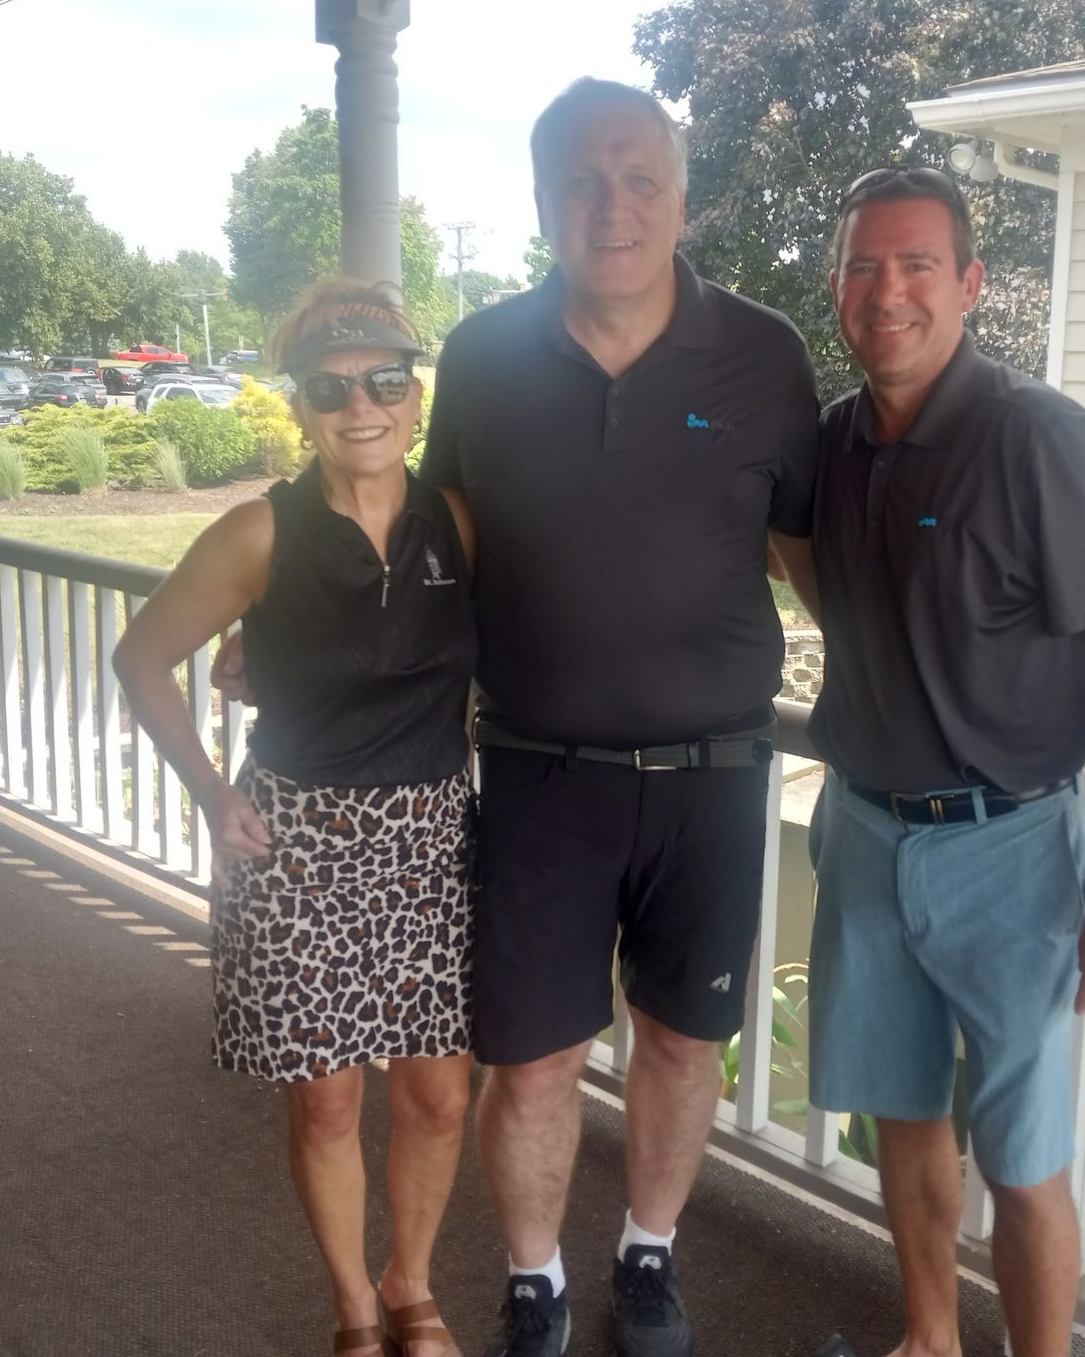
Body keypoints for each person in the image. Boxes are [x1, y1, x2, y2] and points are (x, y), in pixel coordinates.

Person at [422, 78, 821, 1357]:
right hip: (539, 774)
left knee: (684, 1041)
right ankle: (533, 1279)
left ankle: (648, 1256)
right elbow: (437, 538)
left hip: (713, 775)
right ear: (542, 200)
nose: (615, 204)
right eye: (584, 181)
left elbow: (819, 551)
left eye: (641, 177)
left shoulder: (764, 355)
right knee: (532, 1060)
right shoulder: (480, 355)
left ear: (682, 196)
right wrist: (306, 623)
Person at [799, 167, 1085, 1357]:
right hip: (865, 833)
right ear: (838, 289)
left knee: (1024, 1158)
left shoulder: (1039, 438)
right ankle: (929, 1338)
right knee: (904, 1115)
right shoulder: (835, 443)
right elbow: (806, 564)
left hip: (1011, 849)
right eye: (865, 266)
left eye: (917, 265)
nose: (889, 291)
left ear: (970, 284)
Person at [113, 281, 477, 1357]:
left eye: (384, 381)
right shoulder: (256, 534)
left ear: (415, 395)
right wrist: (208, 790)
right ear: (299, 405)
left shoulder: (459, 520)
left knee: (440, 1100)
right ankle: (356, 1313)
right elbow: (141, 660)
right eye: (330, 387)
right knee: (325, 1105)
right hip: (300, 846)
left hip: (429, 844)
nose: (359, 405)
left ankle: (411, 1284)